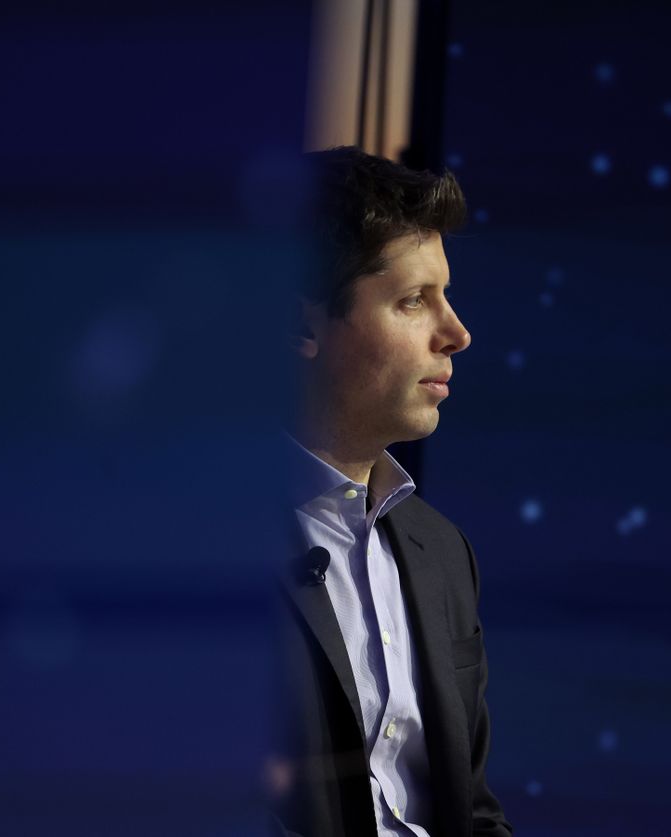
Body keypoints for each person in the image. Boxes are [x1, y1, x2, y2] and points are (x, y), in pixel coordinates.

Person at [269, 146, 512, 837]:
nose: (457, 334)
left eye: (447, 295)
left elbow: (474, 813)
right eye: (414, 300)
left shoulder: (440, 553)